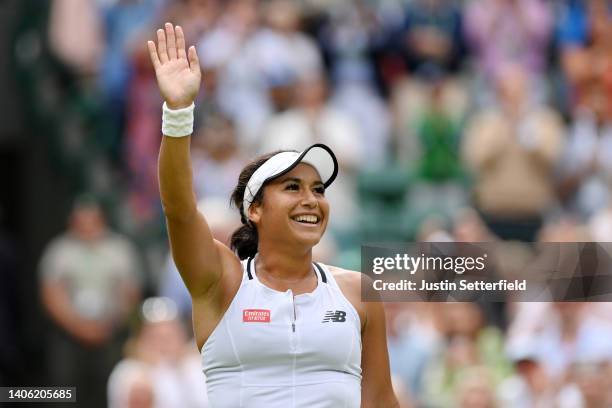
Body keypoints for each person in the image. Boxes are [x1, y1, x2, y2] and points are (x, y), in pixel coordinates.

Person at [147, 23, 398, 407]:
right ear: (255, 210)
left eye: (318, 189)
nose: (311, 200)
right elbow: (179, 208)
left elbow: (380, 400)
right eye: (293, 188)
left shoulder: (357, 292)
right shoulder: (221, 280)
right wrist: (178, 112)